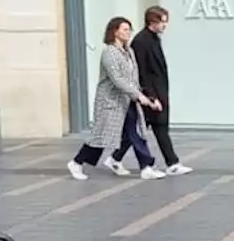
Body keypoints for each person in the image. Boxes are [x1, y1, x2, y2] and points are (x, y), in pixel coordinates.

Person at [67, 17, 164, 181]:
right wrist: (138, 96)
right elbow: (117, 79)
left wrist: (146, 96)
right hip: (111, 102)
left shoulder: (129, 52)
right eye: (125, 29)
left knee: (134, 133)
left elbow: (133, 78)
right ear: (115, 31)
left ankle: (145, 166)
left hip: (127, 101)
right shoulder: (109, 52)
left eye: (129, 29)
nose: (128, 33)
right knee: (100, 137)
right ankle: (77, 162)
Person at [109, 6, 193, 176]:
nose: (165, 25)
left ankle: (115, 159)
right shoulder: (141, 41)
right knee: (147, 130)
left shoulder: (154, 39)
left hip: (158, 92)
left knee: (143, 131)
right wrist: (151, 96)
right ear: (152, 21)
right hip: (150, 94)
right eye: (162, 21)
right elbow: (141, 72)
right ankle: (171, 163)